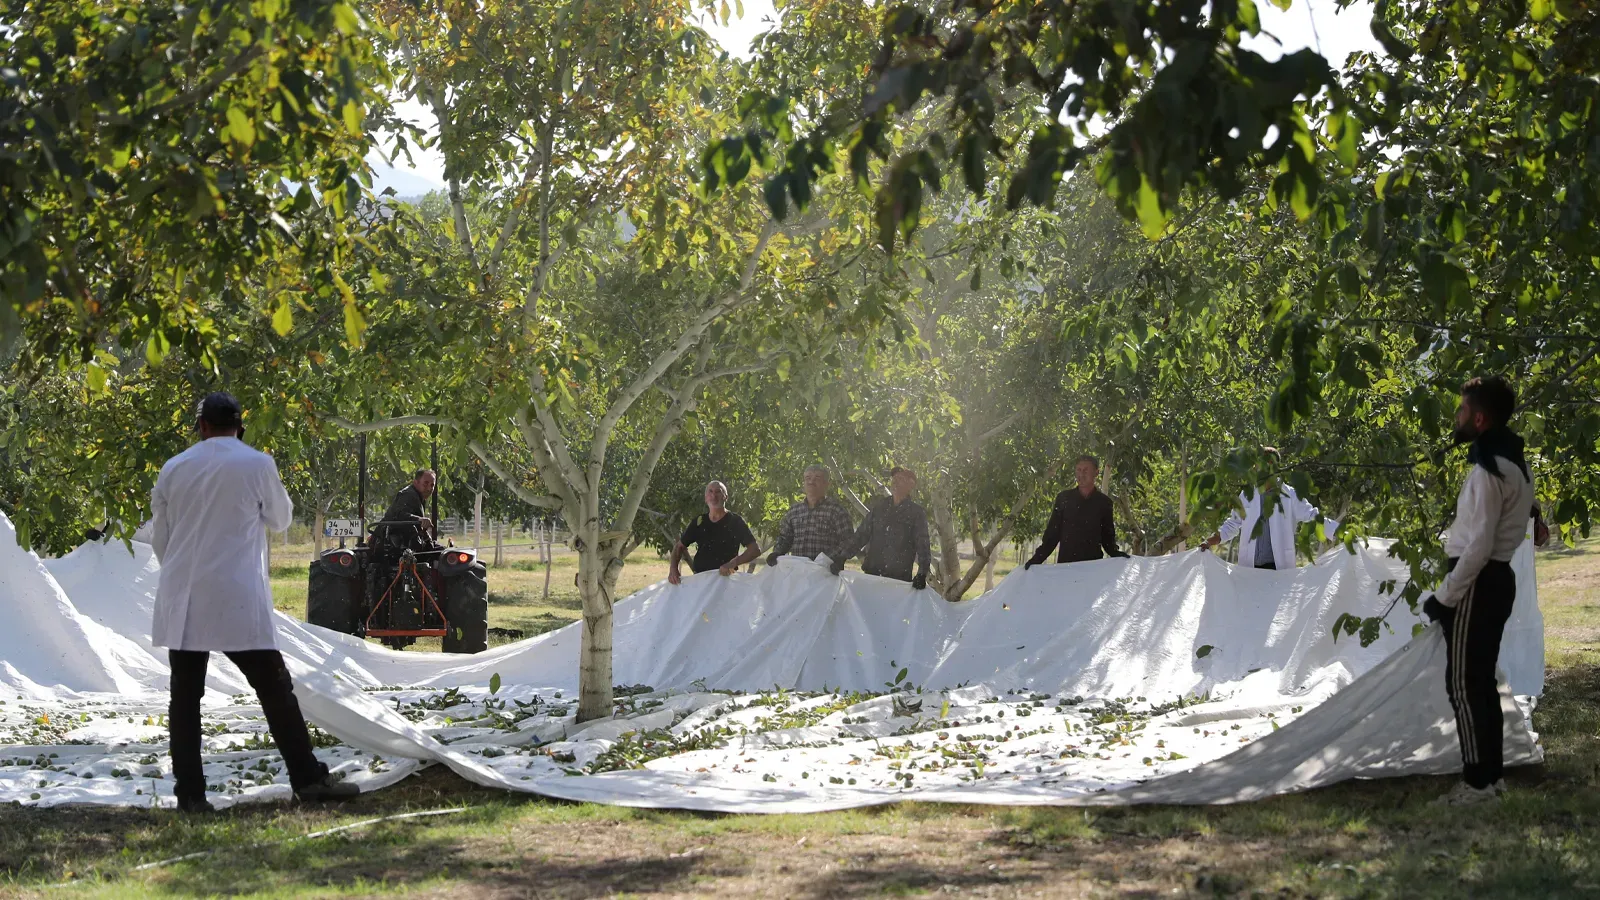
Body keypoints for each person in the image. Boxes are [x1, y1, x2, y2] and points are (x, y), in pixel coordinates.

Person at [150, 393, 358, 812]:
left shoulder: (173, 468)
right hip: (236, 596)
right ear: (238, 426)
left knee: (185, 700)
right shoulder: (257, 463)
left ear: (202, 426)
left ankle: (190, 796)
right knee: (275, 691)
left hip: (186, 596)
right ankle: (307, 778)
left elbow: (162, 540)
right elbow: (280, 520)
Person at [1421, 377, 1535, 806]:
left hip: (1478, 582)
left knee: (1465, 685)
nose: (1457, 417)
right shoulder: (1514, 459)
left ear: (1480, 417)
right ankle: (1492, 776)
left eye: (1462, 410)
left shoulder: (1491, 468)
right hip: (1493, 580)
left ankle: (1478, 784)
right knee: (1480, 682)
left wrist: (1445, 597)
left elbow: (1479, 546)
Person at [1202, 448, 1336, 570]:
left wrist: (1338, 532)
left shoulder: (1291, 495)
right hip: (1250, 568)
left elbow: (1312, 516)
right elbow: (1233, 524)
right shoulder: (1246, 495)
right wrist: (1210, 541)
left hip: (1279, 568)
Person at [827, 466, 932, 588]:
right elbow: (861, 535)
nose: (895, 482)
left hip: (898, 580)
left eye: (901, 479)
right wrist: (843, 557)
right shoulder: (880, 507)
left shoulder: (916, 513)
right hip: (872, 575)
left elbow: (923, 545)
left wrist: (922, 573)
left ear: (911, 485)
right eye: (894, 478)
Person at [1024, 455, 1129, 568]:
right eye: (1078, 470)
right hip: (1066, 567)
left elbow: (1108, 538)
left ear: (1096, 472)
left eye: (1085, 470)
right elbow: (1052, 535)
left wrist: (1117, 555)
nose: (1081, 474)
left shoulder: (1104, 503)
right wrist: (1036, 560)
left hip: (1093, 568)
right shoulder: (1063, 499)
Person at [668, 481, 762, 584]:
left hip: (726, 582)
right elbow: (679, 547)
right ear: (705, 498)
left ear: (725, 497)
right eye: (710, 492)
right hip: (700, 581)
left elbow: (755, 550)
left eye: (718, 492)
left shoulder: (735, 521)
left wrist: (732, 563)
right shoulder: (699, 522)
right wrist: (673, 569)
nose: (714, 496)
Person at [767, 464, 855, 564]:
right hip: (797, 572)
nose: (811, 482)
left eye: (817, 478)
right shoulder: (794, 511)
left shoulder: (837, 511)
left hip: (826, 573)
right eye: (807, 478)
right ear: (803, 483)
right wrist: (777, 553)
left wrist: (829, 559)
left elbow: (849, 542)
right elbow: (784, 538)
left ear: (827, 484)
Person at [381, 468, 436, 545]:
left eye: (432, 485)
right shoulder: (408, 494)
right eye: (426, 483)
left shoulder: (419, 497)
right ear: (416, 482)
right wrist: (419, 519)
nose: (430, 488)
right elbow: (399, 514)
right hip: (386, 543)